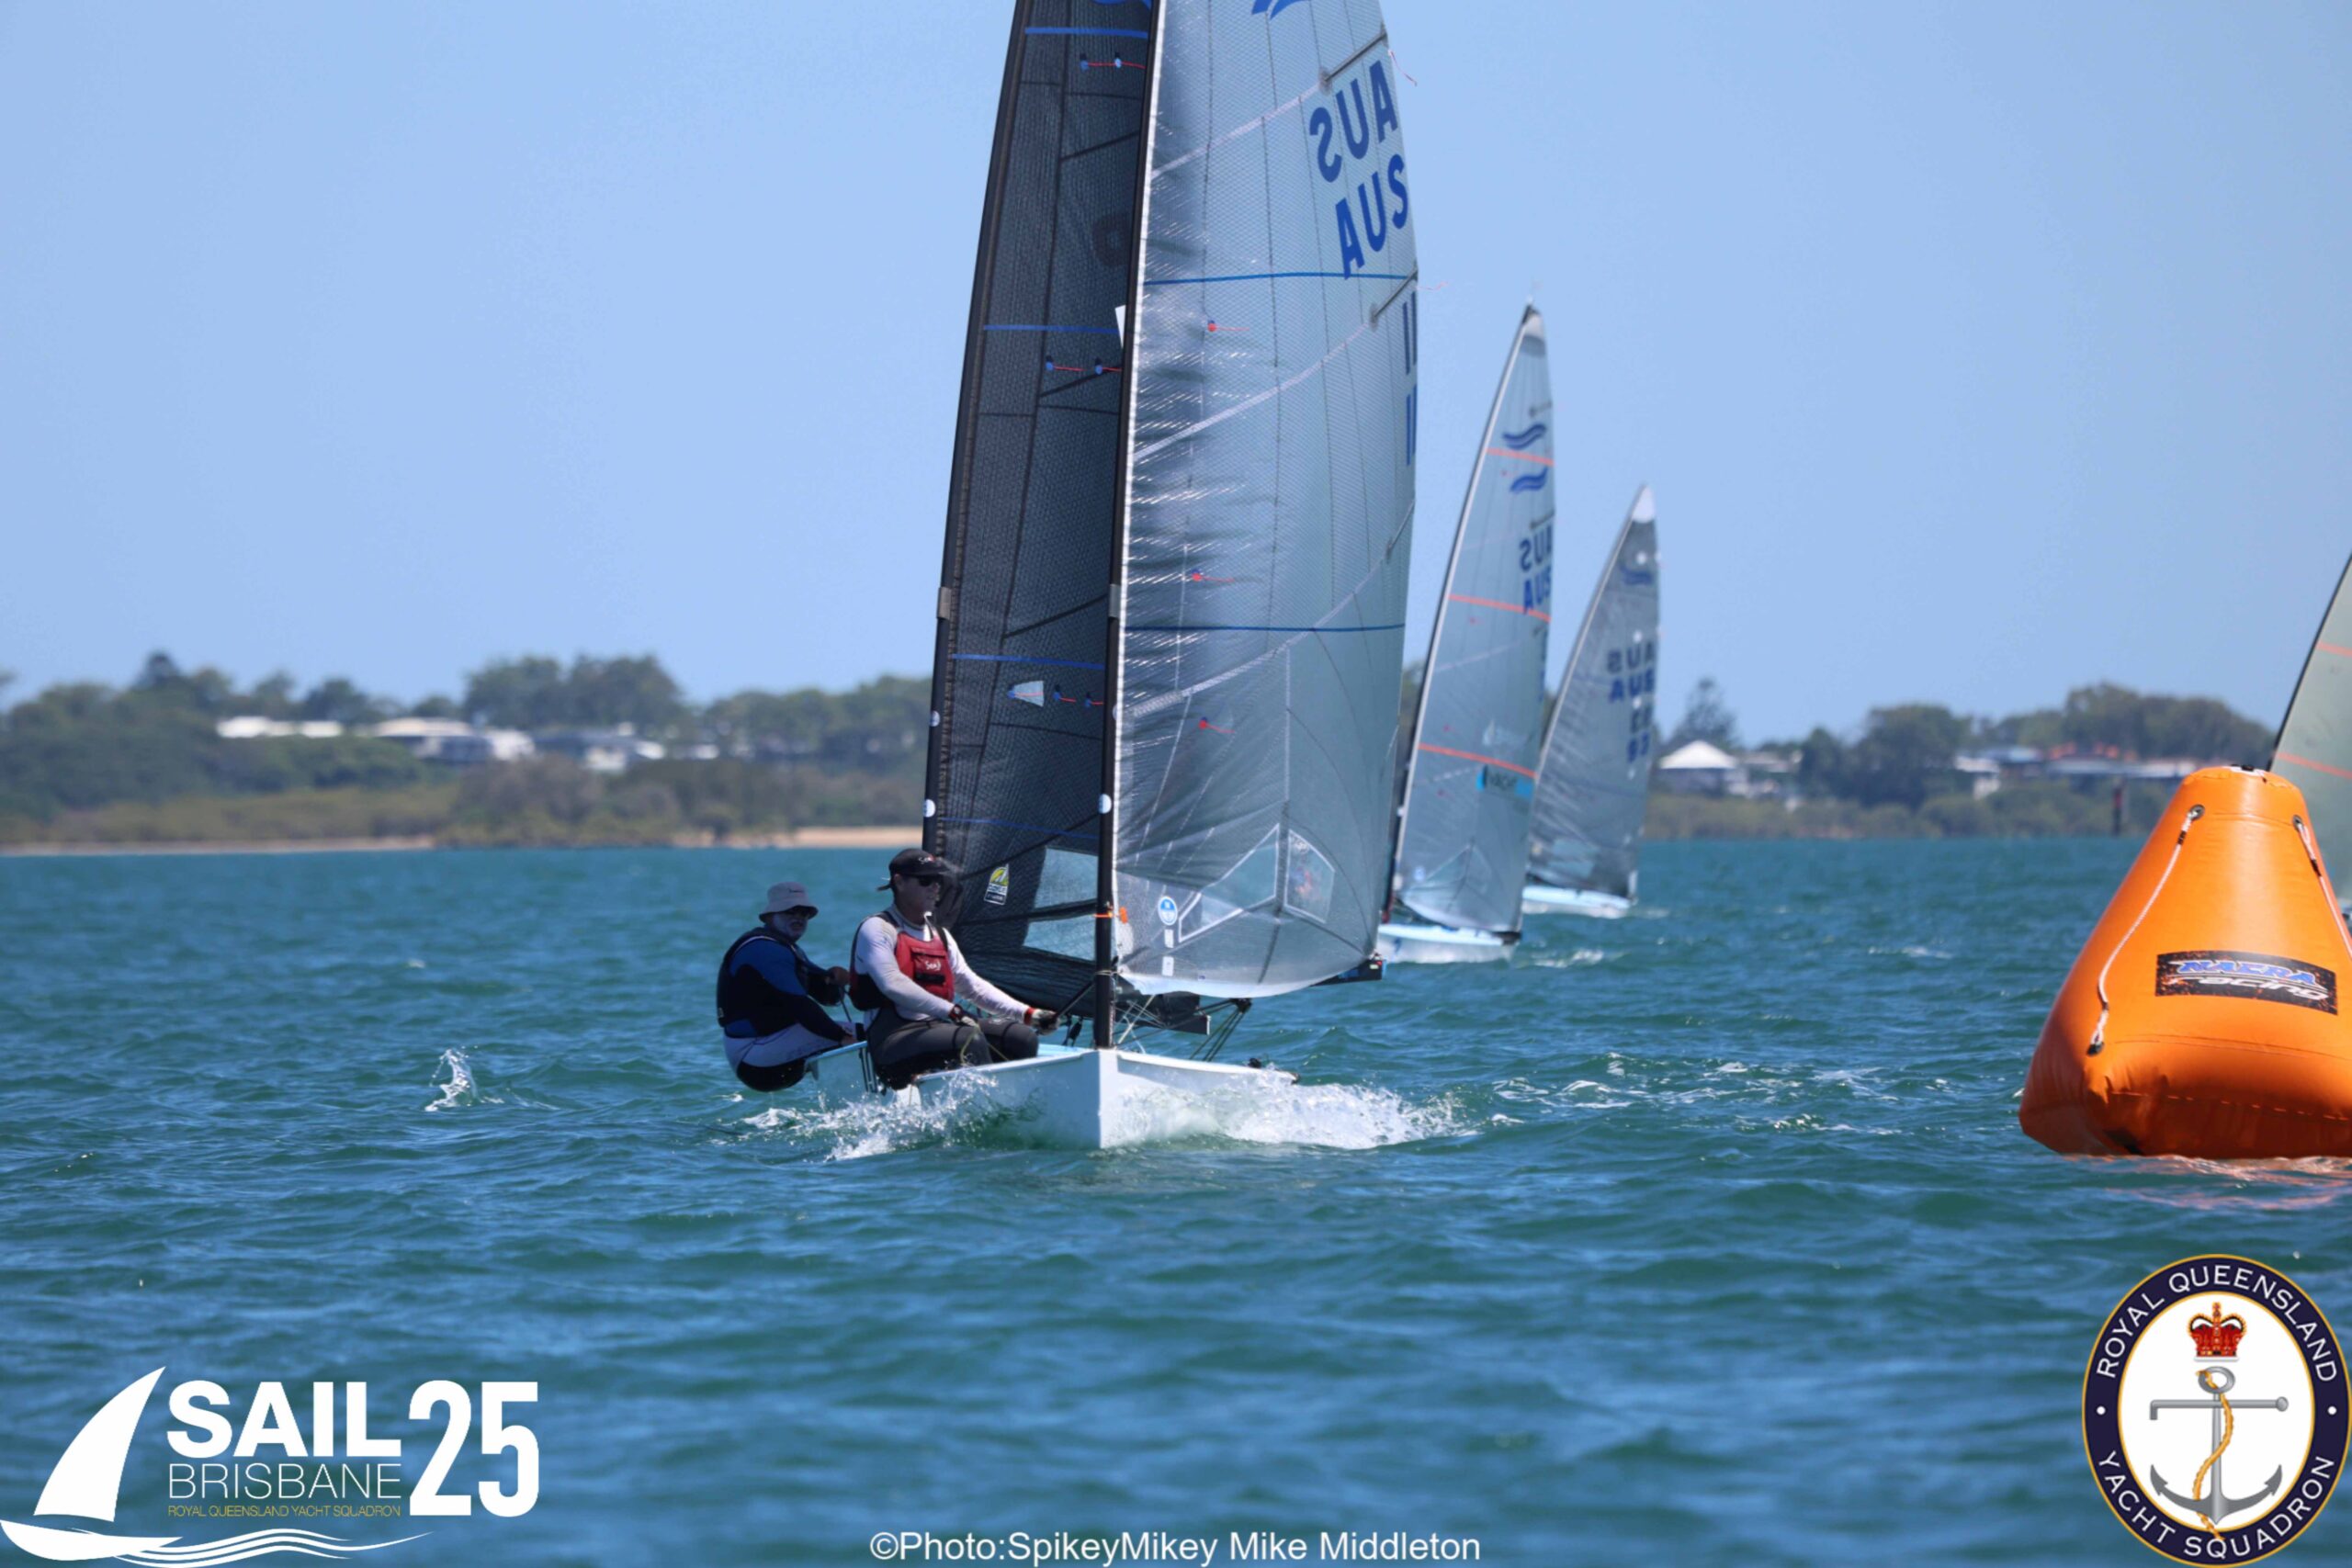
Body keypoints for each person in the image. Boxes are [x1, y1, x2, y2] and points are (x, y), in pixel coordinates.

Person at [849, 848, 1057, 1089]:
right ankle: (988, 1105)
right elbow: (892, 983)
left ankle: (1017, 1101)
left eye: (938, 880)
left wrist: (1028, 1014)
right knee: (969, 1038)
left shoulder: (941, 936)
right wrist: (951, 1011)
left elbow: (973, 987)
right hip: (893, 1042)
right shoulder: (877, 929)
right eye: (925, 880)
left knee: (1021, 1037)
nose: (934, 887)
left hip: (940, 1029)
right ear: (899, 882)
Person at [716, 880, 863, 1092]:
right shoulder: (764, 949)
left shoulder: (787, 949)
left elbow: (826, 997)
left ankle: (867, 1097)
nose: (798, 917)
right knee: (869, 1035)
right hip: (752, 1054)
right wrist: (843, 1038)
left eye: (804, 913)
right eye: (790, 911)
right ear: (769, 917)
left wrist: (836, 980)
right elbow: (801, 1007)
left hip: (769, 1046)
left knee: (867, 1034)